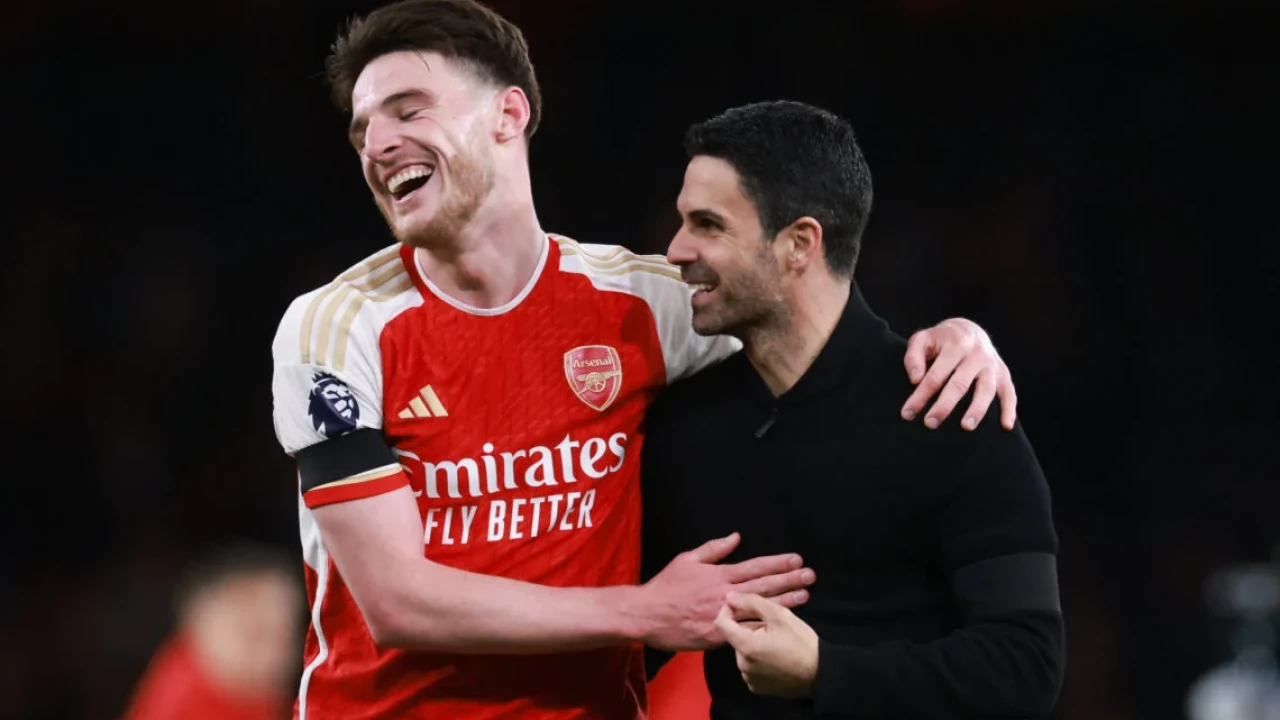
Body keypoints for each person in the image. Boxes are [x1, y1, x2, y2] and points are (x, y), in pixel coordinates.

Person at [269, 1, 1022, 717]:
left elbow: (811, 310)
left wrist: (950, 338)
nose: (376, 145)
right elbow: (396, 601)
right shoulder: (336, 328)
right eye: (362, 129)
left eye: (408, 111)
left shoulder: (639, 302)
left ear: (508, 114)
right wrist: (644, 611)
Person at [639, 100, 1065, 719]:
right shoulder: (684, 426)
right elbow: (625, 642)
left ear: (799, 244)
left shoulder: (950, 406)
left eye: (708, 225)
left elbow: (1025, 666)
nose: (676, 249)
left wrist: (823, 672)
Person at [121, 542, 304, 720]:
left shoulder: (258, 699)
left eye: (287, 637)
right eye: (255, 635)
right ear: (199, 621)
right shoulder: (184, 702)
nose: (278, 658)